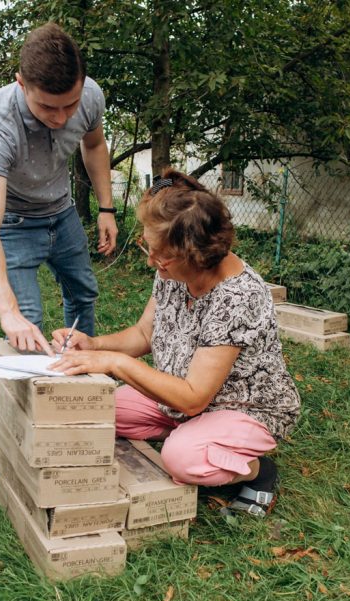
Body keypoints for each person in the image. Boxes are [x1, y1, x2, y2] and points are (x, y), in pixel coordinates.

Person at [49, 170, 301, 517]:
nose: (151, 261)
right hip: (178, 399)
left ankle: (259, 471)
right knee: (95, 408)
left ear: (196, 255)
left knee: (182, 458)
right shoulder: (172, 269)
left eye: (159, 255)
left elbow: (194, 397)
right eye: (148, 248)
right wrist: (93, 344)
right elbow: (143, 334)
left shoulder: (238, 298)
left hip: (240, 406)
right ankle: (192, 434)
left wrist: (115, 363)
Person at [0, 22, 117, 353]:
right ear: (22, 84)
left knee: (83, 293)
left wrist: (106, 208)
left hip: (63, 214)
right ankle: (36, 401)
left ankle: (78, 378)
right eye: (48, 107)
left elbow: (93, 146)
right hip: (14, 222)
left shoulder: (90, 95)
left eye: (71, 104)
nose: (62, 118)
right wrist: (8, 312)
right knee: (26, 322)